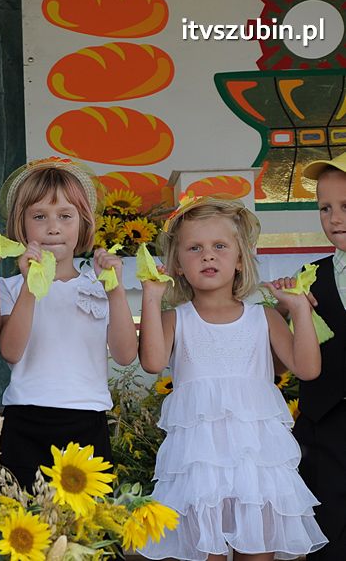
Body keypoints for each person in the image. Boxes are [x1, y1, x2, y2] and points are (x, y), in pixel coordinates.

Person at [138, 196, 326, 561]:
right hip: (199, 467)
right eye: (195, 248)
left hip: (256, 466)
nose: (208, 256)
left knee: (257, 553)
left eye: (220, 246)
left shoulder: (263, 318)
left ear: (240, 260)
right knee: (206, 554)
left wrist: (299, 309)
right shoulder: (176, 319)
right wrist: (151, 296)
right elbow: (152, 361)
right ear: (177, 264)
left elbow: (307, 368)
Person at [0, 157, 138, 489]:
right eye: (39, 216)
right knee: (22, 528)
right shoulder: (12, 288)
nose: (53, 227)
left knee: (85, 531)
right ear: (22, 224)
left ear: (83, 223)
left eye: (65, 216)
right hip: (24, 419)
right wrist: (31, 286)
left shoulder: (98, 286)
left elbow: (125, 354)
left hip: (87, 421)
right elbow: (11, 352)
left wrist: (115, 291)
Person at [278, 153, 346, 560]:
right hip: (324, 428)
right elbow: (289, 357)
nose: (334, 218)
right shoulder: (310, 275)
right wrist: (288, 309)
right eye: (325, 208)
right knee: (329, 537)